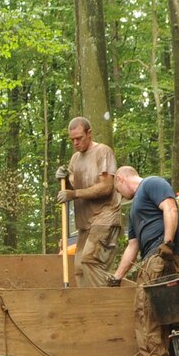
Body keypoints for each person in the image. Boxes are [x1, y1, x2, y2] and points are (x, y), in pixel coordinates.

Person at [59, 116, 124, 287]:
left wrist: (74, 193)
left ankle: (105, 308)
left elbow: (106, 187)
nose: (75, 143)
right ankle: (87, 308)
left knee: (90, 260)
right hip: (85, 223)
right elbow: (72, 185)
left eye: (79, 138)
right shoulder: (75, 159)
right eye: (72, 140)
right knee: (79, 268)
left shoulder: (103, 152)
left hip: (105, 217)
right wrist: (65, 179)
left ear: (89, 133)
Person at [109, 166, 179, 283]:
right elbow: (132, 246)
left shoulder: (152, 183)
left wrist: (168, 243)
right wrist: (117, 277)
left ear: (120, 179)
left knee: (148, 299)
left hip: (162, 253)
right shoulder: (133, 210)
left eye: (118, 190)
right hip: (148, 258)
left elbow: (170, 209)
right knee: (146, 298)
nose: (121, 196)